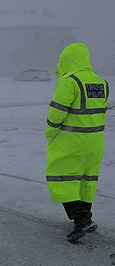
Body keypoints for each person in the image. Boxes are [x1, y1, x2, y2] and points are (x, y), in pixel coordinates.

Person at [45, 43, 109, 243]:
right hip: (95, 143)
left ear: (68, 59)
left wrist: (50, 133)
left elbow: (57, 112)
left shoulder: (69, 81)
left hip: (72, 142)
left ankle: (80, 219)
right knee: (86, 181)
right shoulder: (101, 82)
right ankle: (85, 216)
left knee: (61, 178)